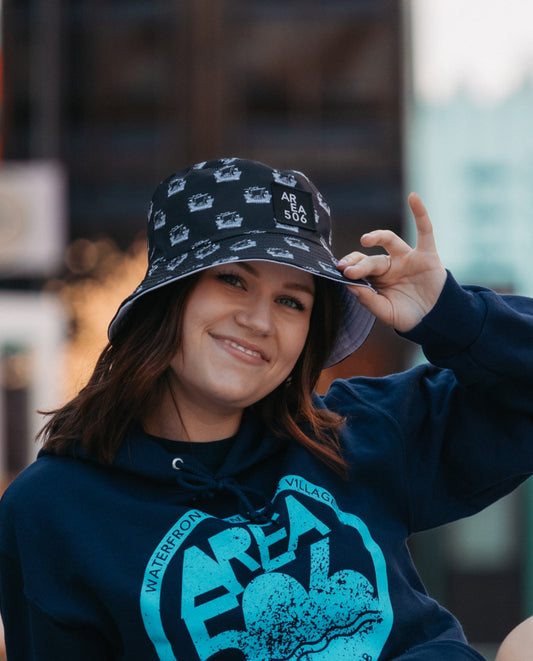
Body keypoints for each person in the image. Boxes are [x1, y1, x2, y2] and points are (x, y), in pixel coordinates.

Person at [0, 156, 532, 661]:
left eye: (291, 301)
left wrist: (453, 315)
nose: (260, 321)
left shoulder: (358, 432)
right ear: (170, 295)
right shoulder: (53, 510)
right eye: (233, 280)